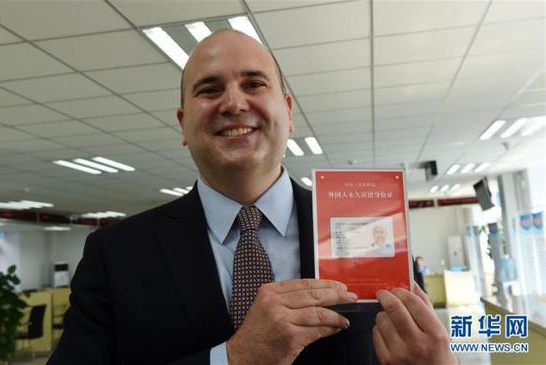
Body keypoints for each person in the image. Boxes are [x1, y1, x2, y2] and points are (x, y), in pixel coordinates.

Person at [48, 30, 456, 365]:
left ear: (289, 112)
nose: (234, 103)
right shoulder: (116, 254)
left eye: (254, 84)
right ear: (183, 124)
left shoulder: (375, 232)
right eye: (209, 89)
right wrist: (232, 357)